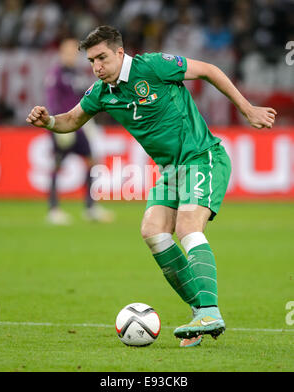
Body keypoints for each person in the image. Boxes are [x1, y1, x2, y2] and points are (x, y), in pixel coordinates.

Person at [26, 25, 276, 347]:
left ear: (120, 53)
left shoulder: (154, 66)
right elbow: (71, 120)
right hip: (170, 171)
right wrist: (47, 120)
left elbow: (209, 70)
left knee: (187, 227)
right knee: (153, 231)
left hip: (202, 157)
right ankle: (200, 312)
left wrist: (247, 109)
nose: (96, 67)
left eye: (102, 58)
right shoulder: (102, 92)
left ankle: (210, 311)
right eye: (91, 61)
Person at [44, 37, 114, 224]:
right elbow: (52, 101)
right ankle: (54, 209)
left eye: (74, 52)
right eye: (67, 52)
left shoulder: (78, 74)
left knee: (92, 161)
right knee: (57, 165)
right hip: (63, 126)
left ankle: (90, 208)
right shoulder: (56, 74)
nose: (71, 56)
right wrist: (55, 125)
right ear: (61, 53)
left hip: (80, 125)